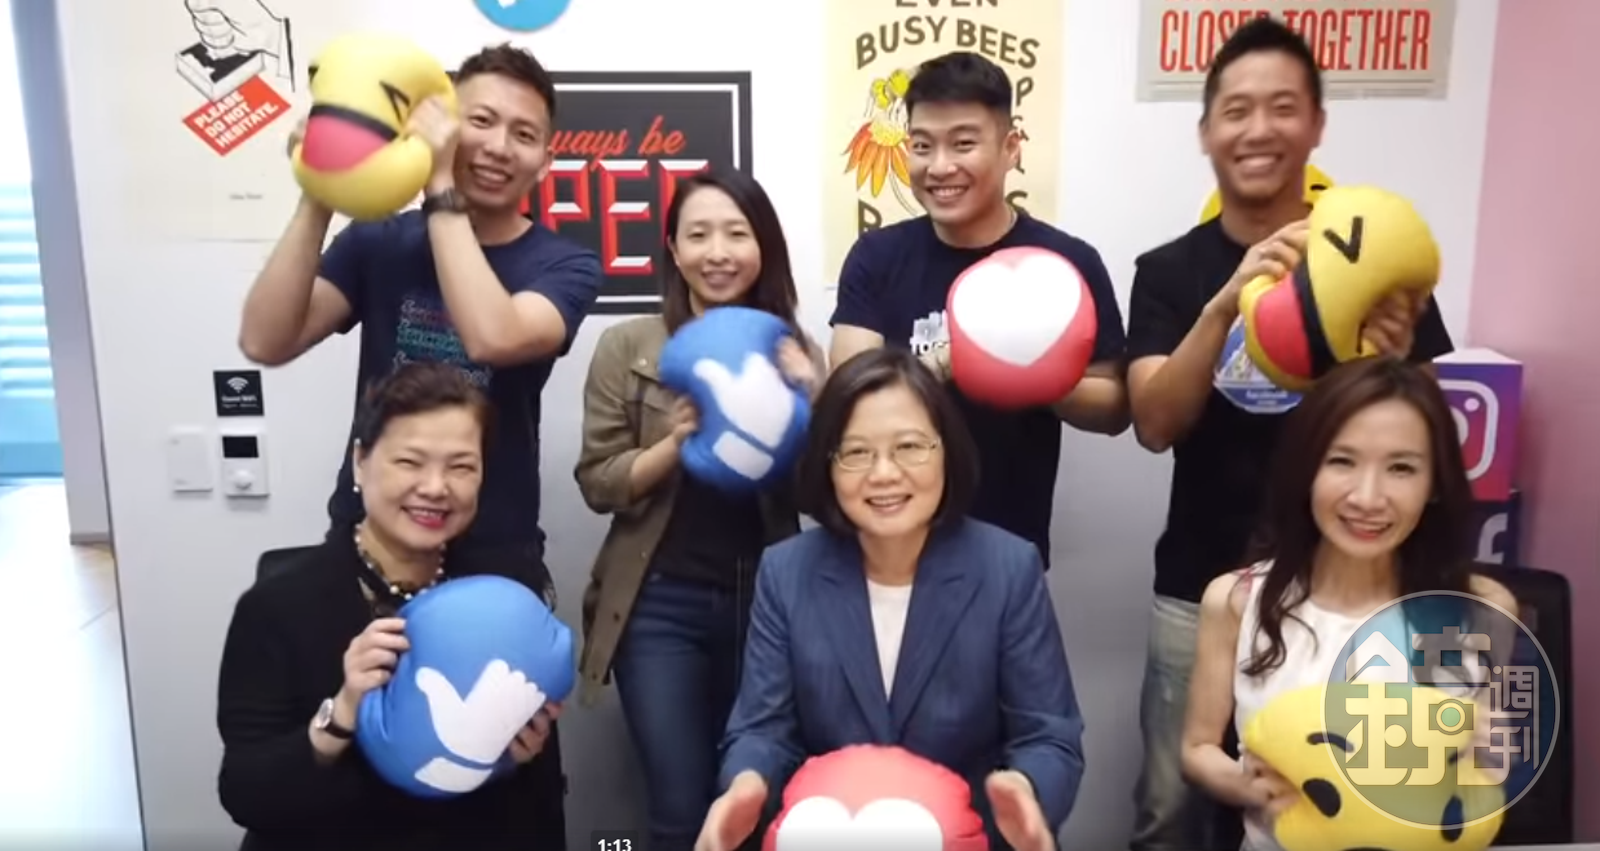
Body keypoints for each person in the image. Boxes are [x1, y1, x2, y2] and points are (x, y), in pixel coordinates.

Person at [1122, 19, 1454, 850]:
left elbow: (1431, 440)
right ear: (1206, 131)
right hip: (1202, 584)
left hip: (1353, 592)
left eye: (1282, 107)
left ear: (1316, 124)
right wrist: (1223, 305)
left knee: (1340, 808)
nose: (1258, 129)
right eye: (1236, 110)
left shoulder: (1374, 254)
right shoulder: (1168, 271)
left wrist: (1393, 358)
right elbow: (1154, 422)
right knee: (1170, 811)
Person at [695, 347, 1086, 851]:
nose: (883, 473)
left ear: (947, 451)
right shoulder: (787, 571)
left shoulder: (1008, 568)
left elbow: (1048, 736)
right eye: (857, 452)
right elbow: (762, 731)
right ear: (828, 464)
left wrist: (1025, 790)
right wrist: (747, 785)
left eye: (909, 447)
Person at [237, 43, 601, 560]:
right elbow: (264, 341)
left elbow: (492, 338)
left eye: (523, 135)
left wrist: (439, 183)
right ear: (445, 124)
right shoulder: (379, 239)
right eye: (481, 121)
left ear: (545, 162)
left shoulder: (565, 265)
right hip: (368, 532)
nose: (499, 147)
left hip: (492, 545)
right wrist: (318, 188)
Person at [216, 362, 568, 851]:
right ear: (360, 462)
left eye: (461, 466)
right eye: (410, 462)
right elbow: (245, 793)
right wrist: (342, 711)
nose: (436, 487)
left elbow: (541, 799)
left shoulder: (506, 591)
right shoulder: (277, 606)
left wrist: (516, 760)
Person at [573, 170, 823, 851]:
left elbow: (823, 499)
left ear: (764, 247)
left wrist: (816, 401)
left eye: (737, 234)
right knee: (681, 807)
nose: (718, 252)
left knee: (755, 800)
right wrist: (675, 444)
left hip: (766, 604)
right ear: (673, 249)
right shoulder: (628, 346)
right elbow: (598, 480)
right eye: (699, 234)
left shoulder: (794, 352)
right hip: (658, 604)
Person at [1178, 356, 1518, 851]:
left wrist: (1493, 745)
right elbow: (1197, 748)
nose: (1368, 497)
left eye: (1401, 468)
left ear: (1435, 485)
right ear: (1307, 471)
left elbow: (1493, 761)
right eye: (1342, 461)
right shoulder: (1239, 600)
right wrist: (1244, 785)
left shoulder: (1480, 607)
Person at [827, 50, 1129, 569]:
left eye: (963, 143)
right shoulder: (877, 255)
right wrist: (950, 361)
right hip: (885, 550)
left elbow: (1116, 408)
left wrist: (1034, 370)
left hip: (1008, 552)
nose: (939, 166)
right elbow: (849, 392)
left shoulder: (1066, 262)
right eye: (922, 146)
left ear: (1011, 148)